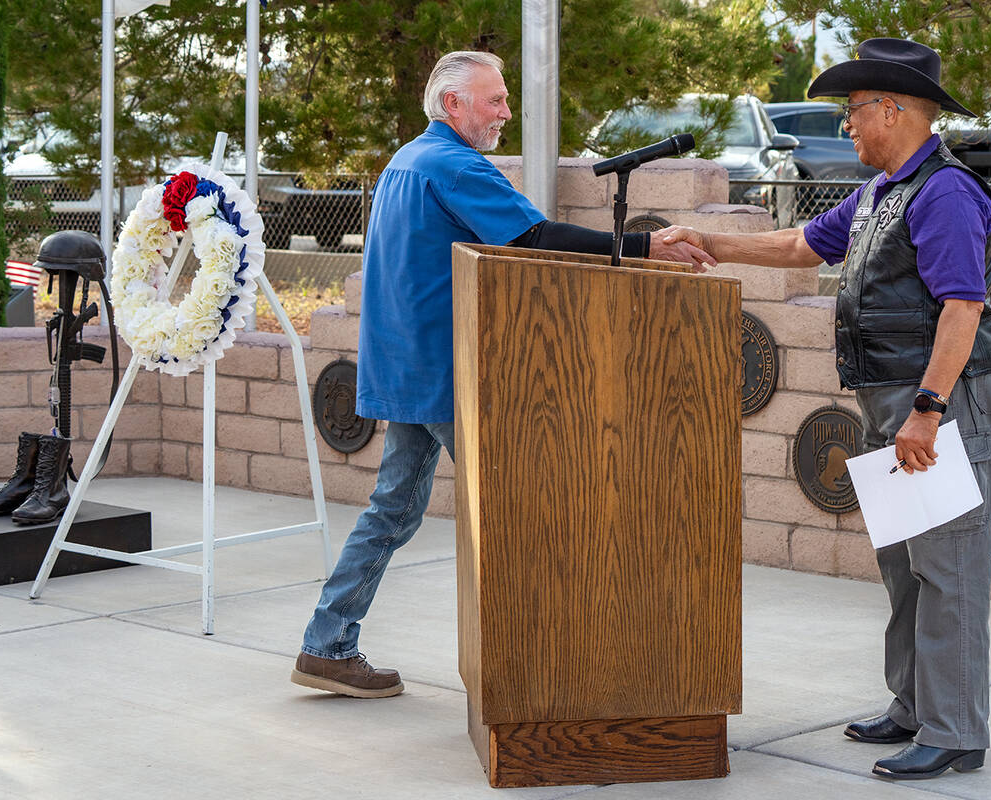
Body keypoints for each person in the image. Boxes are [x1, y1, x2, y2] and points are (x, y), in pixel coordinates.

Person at [291, 50, 713, 700]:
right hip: (445, 372)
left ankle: (327, 644)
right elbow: (531, 239)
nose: (506, 113)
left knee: (394, 508)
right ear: (452, 104)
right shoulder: (451, 163)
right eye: (494, 100)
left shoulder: (406, 159)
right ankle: (550, 668)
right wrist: (641, 246)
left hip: (407, 366)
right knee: (526, 510)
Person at [662, 38, 991, 781]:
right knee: (906, 567)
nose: (846, 125)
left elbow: (962, 308)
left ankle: (955, 732)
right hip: (895, 404)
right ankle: (914, 708)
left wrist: (926, 409)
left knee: (947, 567)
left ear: (894, 108)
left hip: (935, 406)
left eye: (852, 111)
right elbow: (798, 244)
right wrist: (706, 241)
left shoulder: (944, 191)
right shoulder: (882, 192)